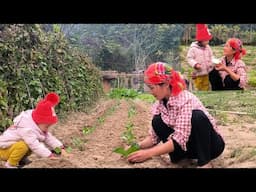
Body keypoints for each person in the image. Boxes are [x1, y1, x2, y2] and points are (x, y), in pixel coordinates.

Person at [127, 62, 225, 168]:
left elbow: (180, 138)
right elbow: (154, 137)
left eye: (152, 87)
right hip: (190, 148)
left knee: (197, 116)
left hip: (211, 146)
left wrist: (148, 153)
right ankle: (180, 159)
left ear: (165, 84)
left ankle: (205, 162)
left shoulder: (186, 99)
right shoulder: (159, 105)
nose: (151, 92)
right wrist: (137, 146)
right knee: (157, 121)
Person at [0, 92, 70, 168]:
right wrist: (49, 155)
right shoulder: (27, 129)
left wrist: (60, 149)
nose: (48, 128)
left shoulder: (38, 126)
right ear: (38, 121)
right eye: (47, 126)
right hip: (3, 150)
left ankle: (21, 159)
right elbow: (35, 146)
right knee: (25, 145)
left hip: (12, 148)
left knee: (27, 145)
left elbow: (50, 139)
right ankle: (10, 164)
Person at [187, 24, 214, 91]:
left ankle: (206, 95)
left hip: (207, 72)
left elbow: (211, 56)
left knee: (206, 86)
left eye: (208, 40)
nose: (208, 42)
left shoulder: (208, 47)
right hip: (198, 74)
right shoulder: (193, 49)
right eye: (206, 40)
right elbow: (189, 58)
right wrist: (195, 64)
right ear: (201, 40)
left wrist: (213, 63)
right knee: (198, 87)